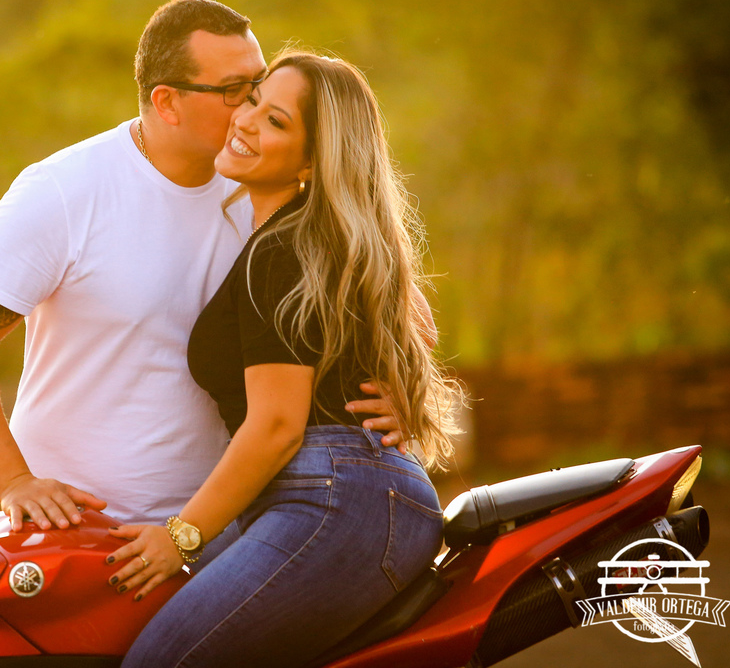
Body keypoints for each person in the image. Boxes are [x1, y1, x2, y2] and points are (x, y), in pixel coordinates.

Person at [0, 0, 411, 531]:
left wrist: (395, 394)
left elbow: (393, 310)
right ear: (168, 102)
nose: (250, 108)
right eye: (234, 91)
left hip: (221, 527)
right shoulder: (63, 190)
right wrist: (14, 481)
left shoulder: (265, 184)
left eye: (259, 85)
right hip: (80, 528)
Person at [107, 50, 464, 668]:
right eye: (251, 101)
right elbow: (416, 326)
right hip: (325, 492)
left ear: (311, 162)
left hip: (335, 497)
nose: (246, 121)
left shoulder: (285, 249)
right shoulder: (309, 241)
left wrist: (180, 537)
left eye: (275, 121)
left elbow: (276, 425)